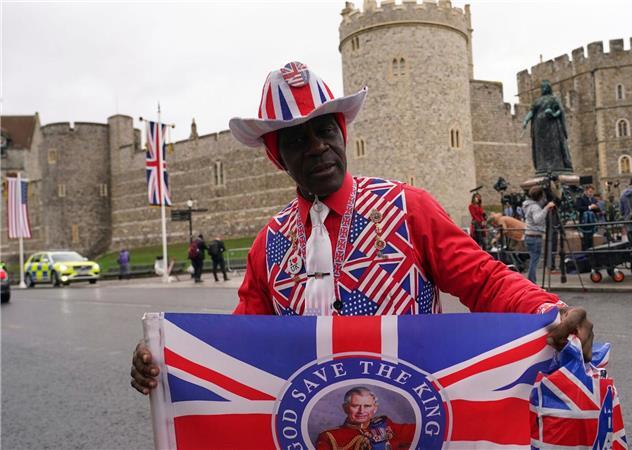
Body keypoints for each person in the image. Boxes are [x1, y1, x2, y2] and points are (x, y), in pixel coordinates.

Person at [131, 61, 593, 394]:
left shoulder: (407, 208)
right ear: (278, 157)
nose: (317, 147)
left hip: (416, 418)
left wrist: (550, 309)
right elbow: (238, 346)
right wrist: (166, 361)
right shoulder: (269, 244)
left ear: (342, 135)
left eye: (325, 131)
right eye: (297, 139)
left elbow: (484, 280)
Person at [315, 387, 414, 450]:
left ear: (375, 409)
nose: (361, 411)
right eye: (355, 405)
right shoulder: (329, 437)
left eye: (367, 406)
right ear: (345, 408)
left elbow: (423, 432)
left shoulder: (387, 426)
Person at [522, 189, 555, 284]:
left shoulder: (527, 205)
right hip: (535, 236)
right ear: (539, 196)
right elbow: (538, 219)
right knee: (534, 260)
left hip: (529, 235)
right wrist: (547, 208)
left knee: (533, 259)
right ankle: (532, 282)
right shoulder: (535, 207)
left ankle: (531, 281)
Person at [574, 185, 599, 251]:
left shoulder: (593, 199)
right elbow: (578, 208)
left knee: (591, 239)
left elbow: (598, 209)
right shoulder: (581, 198)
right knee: (586, 239)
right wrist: (589, 207)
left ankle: (591, 253)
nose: (591, 193)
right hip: (584, 222)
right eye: (590, 192)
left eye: (592, 192)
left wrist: (596, 208)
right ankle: (586, 254)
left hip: (592, 222)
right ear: (585, 192)